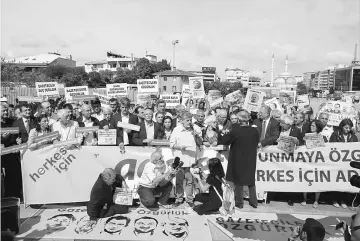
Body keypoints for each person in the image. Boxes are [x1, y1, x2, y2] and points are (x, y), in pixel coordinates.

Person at [219, 110, 259, 208]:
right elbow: (257, 141)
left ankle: (239, 203)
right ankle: (254, 202)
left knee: (238, 181)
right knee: (251, 181)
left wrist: (221, 133)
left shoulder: (236, 130)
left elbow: (225, 141)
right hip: (250, 159)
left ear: (239, 119)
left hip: (238, 158)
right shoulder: (254, 130)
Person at [170, 111, 203, 207]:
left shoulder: (196, 129)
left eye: (190, 120)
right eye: (187, 120)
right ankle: (178, 199)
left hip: (191, 160)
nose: (189, 122)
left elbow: (200, 143)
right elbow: (172, 144)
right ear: (182, 121)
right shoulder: (176, 130)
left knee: (190, 181)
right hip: (180, 160)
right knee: (179, 181)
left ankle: (189, 199)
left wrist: (196, 135)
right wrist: (180, 147)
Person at [302, 119, 326, 208]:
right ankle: (304, 199)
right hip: (307, 161)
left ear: (318, 128)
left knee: (317, 181)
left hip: (317, 162)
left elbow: (324, 149)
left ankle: (316, 200)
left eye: (314, 126)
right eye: (311, 125)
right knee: (305, 180)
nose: (311, 127)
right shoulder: (306, 136)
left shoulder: (322, 137)